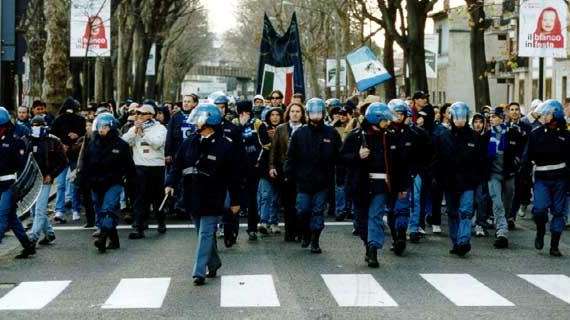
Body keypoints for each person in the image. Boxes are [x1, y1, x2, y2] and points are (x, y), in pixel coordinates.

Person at [165, 104, 241, 286]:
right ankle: (214, 262)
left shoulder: (225, 146)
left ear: (209, 121)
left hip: (213, 195)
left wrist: (236, 200)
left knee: (206, 232)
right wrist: (169, 184)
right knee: (202, 232)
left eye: (199, 119)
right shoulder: (189, 142)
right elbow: (177, 166)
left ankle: (198, 272)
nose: (196, 123)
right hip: (191, 193)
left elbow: (234, 176)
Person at [286, 98, 342, 254]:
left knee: (318, 211)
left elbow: (340, 156)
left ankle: (315, 240)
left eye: (319, 113)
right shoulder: (300, 133)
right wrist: (288, 174)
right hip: (303, 181)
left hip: (323, 181)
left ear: (323, 113)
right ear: (308, 114)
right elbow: (291, 156)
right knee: (303, 210)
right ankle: (305, 232)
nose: (316, 116)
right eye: (313, 113)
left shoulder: (332, 133)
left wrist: (341, 175)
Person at [433, 102, 485, 257]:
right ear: (452, 117)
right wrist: (438, 179)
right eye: (458, 116)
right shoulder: (442, 137)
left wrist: (478, 179)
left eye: (463, 116)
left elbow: (481, 160)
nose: (460, 120)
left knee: (466, 212)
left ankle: (463, 241)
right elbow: (436, 160)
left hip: (468, 182)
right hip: (449, 182)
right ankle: (456, 242)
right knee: (452, 213)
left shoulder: (475, 137)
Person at [78, 113, 136, 253]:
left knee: (108, 210)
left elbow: (130, 166)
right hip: (96, 183)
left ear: (111, 127)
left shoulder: (121, 145)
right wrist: (83, 180)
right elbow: (85, 163)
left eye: (104, 127)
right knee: (100, 211)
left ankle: (102, 239)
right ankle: (114, 240)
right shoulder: (92, 144)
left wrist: (132, 185)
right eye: (99, 126)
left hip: (114, 182)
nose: (101, 129)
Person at [526, 99, 569, 257]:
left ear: (556, 114)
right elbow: (528, 156)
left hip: (561, 180)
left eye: (548, 113)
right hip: (542, 178)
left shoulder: (566, 135)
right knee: (539, 210)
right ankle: (540, 230)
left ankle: (554, 245)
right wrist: (524, 176)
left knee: (558, 212)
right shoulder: (536, 134)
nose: (544, 116)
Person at [122, 102, 167, 239]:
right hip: (140, 166)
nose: (138, 116)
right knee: (139, 197)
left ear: (150, 115)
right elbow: (124, 142)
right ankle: (138, 227)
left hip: (156, 166)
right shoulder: (134, 128)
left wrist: (142, 134)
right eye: (137, 113)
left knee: (157, 197)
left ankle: (161, 220)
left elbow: (157, 144)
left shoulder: (160, 128)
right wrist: (135, 132)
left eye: (141, 113)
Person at [484, 107, 525, 249]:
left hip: (509, 174)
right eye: (490, 117)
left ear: (502, 118)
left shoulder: (513, 133)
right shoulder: (487, 135)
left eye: (494, 116)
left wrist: (517, 161)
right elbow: (482, 155)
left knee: (507, 202)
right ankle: (502, 232)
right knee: (497, 202)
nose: (491, 119)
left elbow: (522, 148)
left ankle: (503, 223)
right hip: (493, 175)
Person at [0, 107, 37, 259]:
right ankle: (28, 245)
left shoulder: (16, 140)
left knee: (1, 216)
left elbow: (22, 165)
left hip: (10, 183)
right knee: (11, 218)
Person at [26, 115, 67, 245]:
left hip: (45, 180)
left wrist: (51, 174)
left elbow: (63, 161)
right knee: (34, 210)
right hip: (31, 181)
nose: (36, 128)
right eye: (34, 125)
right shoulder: (27, 140)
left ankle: (33, 237)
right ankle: (49, 234)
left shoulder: (53, 141)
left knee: (40, 209)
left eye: (39, 125)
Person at [269, 103, 306, 242]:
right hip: (285, 170)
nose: (295, 114)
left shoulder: (306, 129)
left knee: (301, 204)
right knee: (288, 203)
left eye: (298, 111)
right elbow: (274, 149)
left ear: (302, 114)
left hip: (302, 171)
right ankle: (290, 232)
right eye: (292, 111)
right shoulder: (281, 129)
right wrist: (272, 166)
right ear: (288, 113)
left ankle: (300, 231)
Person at [51, 97, 86, 223]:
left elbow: (84, 136)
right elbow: (53, 137)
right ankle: (63, 209)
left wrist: (77, 136)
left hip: (72, 155)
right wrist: (62, 145)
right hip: (64, 156)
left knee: (69, 183)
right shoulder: (61, 120)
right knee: (65, 183)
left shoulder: (61, 119)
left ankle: (70, 209)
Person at [234, 100, 263, 240]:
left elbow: (265, 145)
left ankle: (252, 228)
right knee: (235, 198)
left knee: (252, 199)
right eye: (240, 113)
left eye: (245, 112)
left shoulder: (257, 124)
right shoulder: (233, 123)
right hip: (236, 167)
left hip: (253, 167)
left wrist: (258, 161)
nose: (243, 115)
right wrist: (241, 125)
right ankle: (231, 229)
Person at [257, 107, 284, 235]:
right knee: (265, 195)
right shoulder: (263, 127)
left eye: (277, 115)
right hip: (264, 165)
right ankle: (263, 221)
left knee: (276, 197)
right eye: (272, 115)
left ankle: (274, 222)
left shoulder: (284, 128)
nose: (275, 117)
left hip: (279, 166)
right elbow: (264, 143)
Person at [471, 113, 491, 237]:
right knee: (470, 200)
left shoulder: (487, 138)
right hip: (469, 174)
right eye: (476, 122)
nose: (478, 124)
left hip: (482, 174)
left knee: (481, 200)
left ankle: (480, 224)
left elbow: (491, 156)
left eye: (480, 122)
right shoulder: (468, 137)